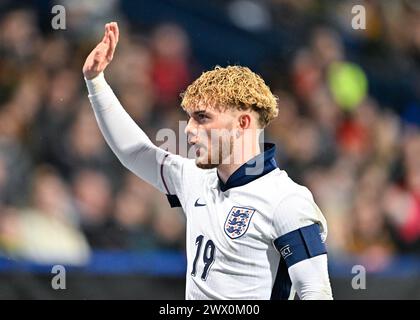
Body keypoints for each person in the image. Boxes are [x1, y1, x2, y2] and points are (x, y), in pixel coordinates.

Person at [82, 22, 333, 300]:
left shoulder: (287, 201)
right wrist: (96, 82)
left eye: (202, 117)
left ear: (243, 122)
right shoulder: (195, 180)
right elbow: (136, 152)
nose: (188, 129)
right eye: (189, 118)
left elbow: (316, 292)